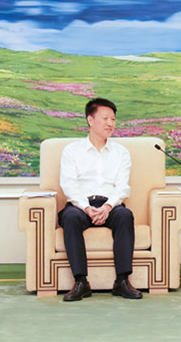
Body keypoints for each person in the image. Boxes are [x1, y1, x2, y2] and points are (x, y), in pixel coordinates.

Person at [58, 98, 142, 301]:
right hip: (80, 205)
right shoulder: (72, 151)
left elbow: (122, 186)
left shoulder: (121, 152)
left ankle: (122, 281)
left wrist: (107, 206)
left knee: (125, 215)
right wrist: (87, 208)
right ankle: (81, 282)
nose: (110, 123)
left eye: (113, 119)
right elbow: (69, 185)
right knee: (70, 217)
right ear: (90, 120)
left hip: (110, 204)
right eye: (105, 118)